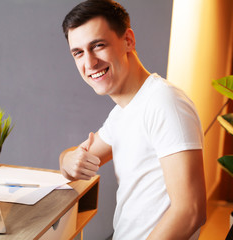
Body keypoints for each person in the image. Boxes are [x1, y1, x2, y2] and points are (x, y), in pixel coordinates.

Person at [59, 0, 207, 239]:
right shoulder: (123, 113)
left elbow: (191, 212)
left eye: (98, 45)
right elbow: (74, 159)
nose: (89, 63)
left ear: (128, 40)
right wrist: (68, 161)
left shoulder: (165, 103)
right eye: (78, 53)